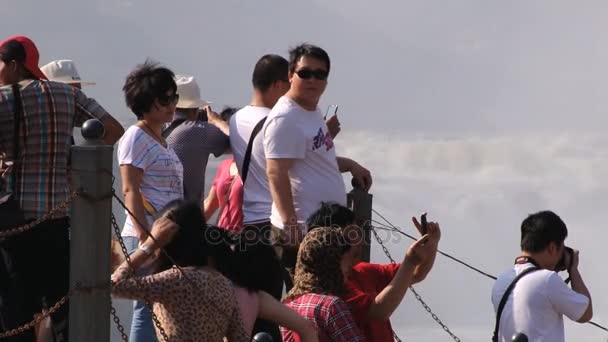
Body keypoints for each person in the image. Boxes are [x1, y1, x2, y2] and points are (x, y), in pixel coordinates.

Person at [0, 35, 123, 341]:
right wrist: (74, 163)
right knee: (60, 303)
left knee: (16, 310)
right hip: (58, 220)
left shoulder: (2, 99)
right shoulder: (65, 95)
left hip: (14, 222)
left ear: (14, 65)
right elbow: (112, 129)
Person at [113, 201, 319, 342]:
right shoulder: (222, 283)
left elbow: (113, 286)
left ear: (169, 243)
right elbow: (239, 337)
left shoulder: (174, 280)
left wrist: (148, 245)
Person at [262, 44, 373, 289]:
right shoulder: (285, 118)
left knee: (325, 301)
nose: (313, 80)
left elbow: (316, 159)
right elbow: (276, 172)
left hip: (325, 231)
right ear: (291, 75)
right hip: (302, 232)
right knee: (307, 303)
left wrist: (351, 165)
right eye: (305, 73)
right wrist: (292, 227)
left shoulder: (310, 111)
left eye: (320, 74)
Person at [306, 203, 440, 342]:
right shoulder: (329, 287)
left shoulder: (363, 270)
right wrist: (410, 261)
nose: (359, 240)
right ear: (331, 239)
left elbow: (416, 274)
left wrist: (432, 243)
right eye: (352, 234)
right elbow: (379, 311)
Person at [118, 60, 184, 342]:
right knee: (147, 308)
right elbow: (130, 189)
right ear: (145, 102)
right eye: (164, 99)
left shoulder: (161, 139)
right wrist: (146, 238)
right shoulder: (136, 136)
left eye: (174, 97)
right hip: (146, 234)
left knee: (159, 306)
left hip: (165, 235)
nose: (171, 104)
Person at [491, 210, 593, 342]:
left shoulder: (501, 280)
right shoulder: (547, 280)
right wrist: (573, 269)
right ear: (552, 248)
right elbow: (585, 314)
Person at [282, 227, 366, 342]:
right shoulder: (331, 306)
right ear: (331, 264)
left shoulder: (287, 304)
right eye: (344, 260)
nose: (350, 266)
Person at [164, 74, 228, 205]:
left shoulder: (158, 128)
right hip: (187, 218)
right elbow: (238, 142)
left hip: (157, 216)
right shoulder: (198, 130)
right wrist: (217, 121)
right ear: (194, 109)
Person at [203, 107, 243, 233]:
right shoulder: (224, 166)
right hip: (223, 240)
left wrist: (218, 122)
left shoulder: (254, 165)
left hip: (248, 240)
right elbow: (210, 205)